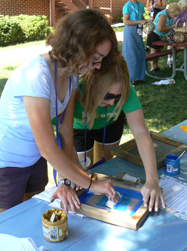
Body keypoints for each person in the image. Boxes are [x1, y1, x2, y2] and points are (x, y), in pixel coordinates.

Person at [0, 9, 120, 216]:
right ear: (77, 47)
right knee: (9, 228)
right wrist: (90, 183)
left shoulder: (71, 75)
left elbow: (65, 132)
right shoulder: (35, 76)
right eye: (95, 58)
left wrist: (68, 180)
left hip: (35, 159)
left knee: (34, 217)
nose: (98, 65)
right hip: (6, 164)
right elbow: (48, 148)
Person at [56, 55, 165, 214]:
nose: (113, 103)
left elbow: (141, 132)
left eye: (118, 97)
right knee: (81, 169)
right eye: (108, 96)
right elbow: (63, 138)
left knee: (108, 167)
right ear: (93, 82)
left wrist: (152, 180)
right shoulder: (74, 90)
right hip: (79, 128)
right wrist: (76, 176)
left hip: (110, 125)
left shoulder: (123, 87)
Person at [147, 3, 181, 73]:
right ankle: (152, 68)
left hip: (161, 36)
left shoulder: (170, 15)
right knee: (154, 51)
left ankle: (156, 66)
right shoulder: (163, 15)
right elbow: (160, 29)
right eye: (175, 15)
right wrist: (172, 27)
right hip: (154, 34)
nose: (175, 17)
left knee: (159, 51)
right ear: (171, 12)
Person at [122, 0, 149, 85]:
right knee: (131, 54)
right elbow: (125, 21)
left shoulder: (140, 5)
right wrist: (139, 21)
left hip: (139, 30)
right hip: (130, 31)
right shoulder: (127, 5)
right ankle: (132, 78)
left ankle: (140, 76)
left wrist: (146, 21)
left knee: (140, 53)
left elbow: (141, 18)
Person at [167, 0, 187, 66]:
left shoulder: (185, 11)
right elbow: (171, 21)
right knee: (171, 44)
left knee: (177, 45)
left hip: (179, 29)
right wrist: (174, 28)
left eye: (185, 8)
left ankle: (173, 59)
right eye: (183, 7)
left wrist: (184, 29)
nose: (184, 9)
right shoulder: (175, 11)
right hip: (172, 28)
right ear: (179, 5)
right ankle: (169, 59)